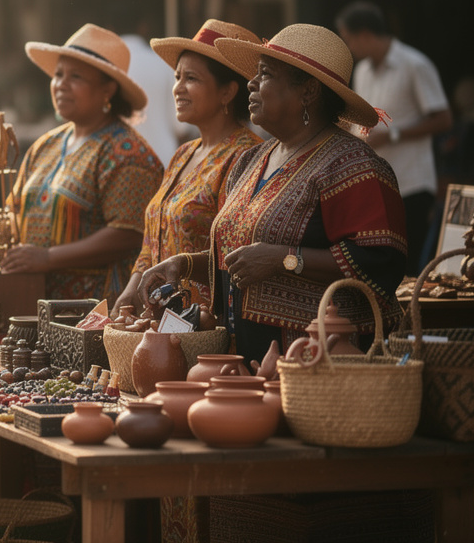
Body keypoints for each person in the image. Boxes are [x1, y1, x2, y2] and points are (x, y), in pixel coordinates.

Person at [137, 24, 408, 365]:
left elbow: (379, 261)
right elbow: (243, 258)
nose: (251, 83)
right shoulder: (251, 161)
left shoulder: (353, 165)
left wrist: (285, 259)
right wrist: (184, 264)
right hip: (247, 355)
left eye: (265, 74)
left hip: (320, 361)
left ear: (308, 91)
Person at [0, 23, 163, 302]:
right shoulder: (46, 145)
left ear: (107, 90)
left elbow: (128, 234)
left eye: (75, 77)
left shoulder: (127, 153)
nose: (61, 84)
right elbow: (13, 209)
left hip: (96, 309)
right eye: (58, 74)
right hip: (35, 299)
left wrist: (48, 257)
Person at [114, 20, 263, 316]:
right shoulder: (183, 154)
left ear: (227, 92)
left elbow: (237, 250)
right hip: (161, 321)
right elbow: (151, 237)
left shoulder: (246, 155)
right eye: (177, 77)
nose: (178, 88)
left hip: (207, 323)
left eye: (191, 79)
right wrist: (132, 287)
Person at [336, 1, 450, 274]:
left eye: (349, 39)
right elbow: (365, 122)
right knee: (380, 264)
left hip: (411, 183)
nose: (348, 46)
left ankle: (412, 319)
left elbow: (444, 119)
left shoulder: (414, 64)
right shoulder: (362, 71)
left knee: (408, 268)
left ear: (364, 34)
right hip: (375, 184)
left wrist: (393, 135)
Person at [122, 18, 185, 165]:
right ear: (143, 27)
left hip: (119, 163)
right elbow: (180, 127)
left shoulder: (107, 66)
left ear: (109, 28)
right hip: (163, 159)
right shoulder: (162, 63)